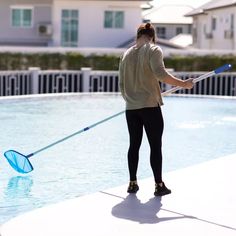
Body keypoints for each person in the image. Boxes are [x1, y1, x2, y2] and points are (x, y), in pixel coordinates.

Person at [119, 22, 194, 196]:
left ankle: (132, 184)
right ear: (152, 36)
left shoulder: (125, 54)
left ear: (138, 35)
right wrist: (184, 84)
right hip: (150, 107)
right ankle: (159, 185)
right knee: (155, 146)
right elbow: (160, 74)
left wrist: (131, 100)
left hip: (131, 108)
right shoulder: (154, 50)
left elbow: (121, 84)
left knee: (133, 145)